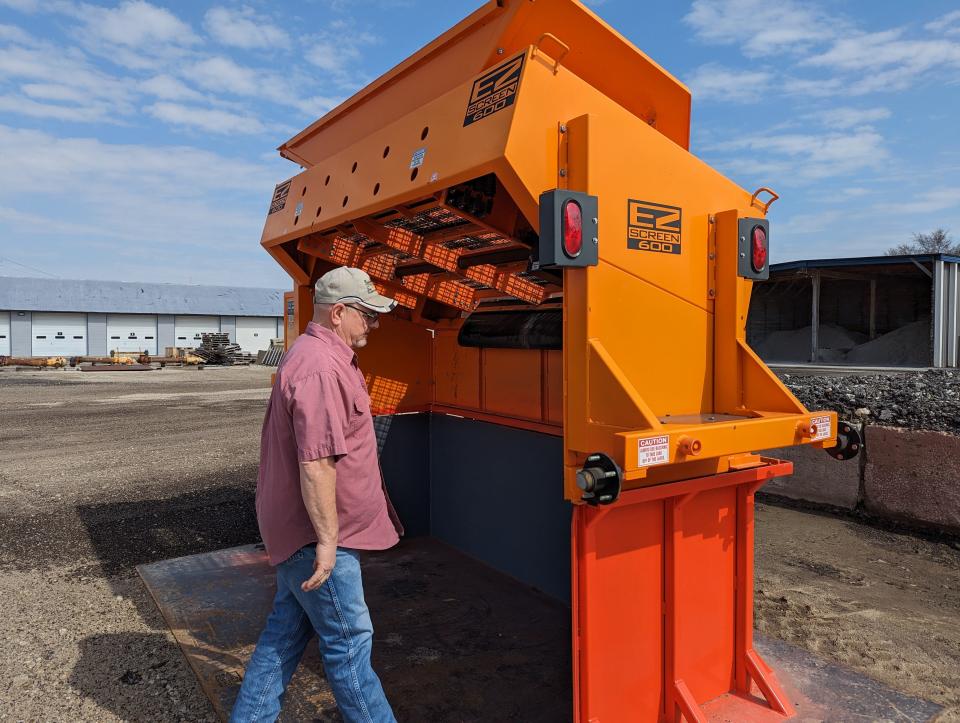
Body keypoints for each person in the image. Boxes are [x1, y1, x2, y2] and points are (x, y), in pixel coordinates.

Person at [230, 266, 403, 723]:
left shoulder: (316, 355)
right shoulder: (321, 369)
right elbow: (317, 463)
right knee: (349, 644)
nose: (374, 323)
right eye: (367, 314)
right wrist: (327, 544)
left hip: (301, 535)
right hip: (317, 539)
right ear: (339, 313)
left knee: (283, 635)